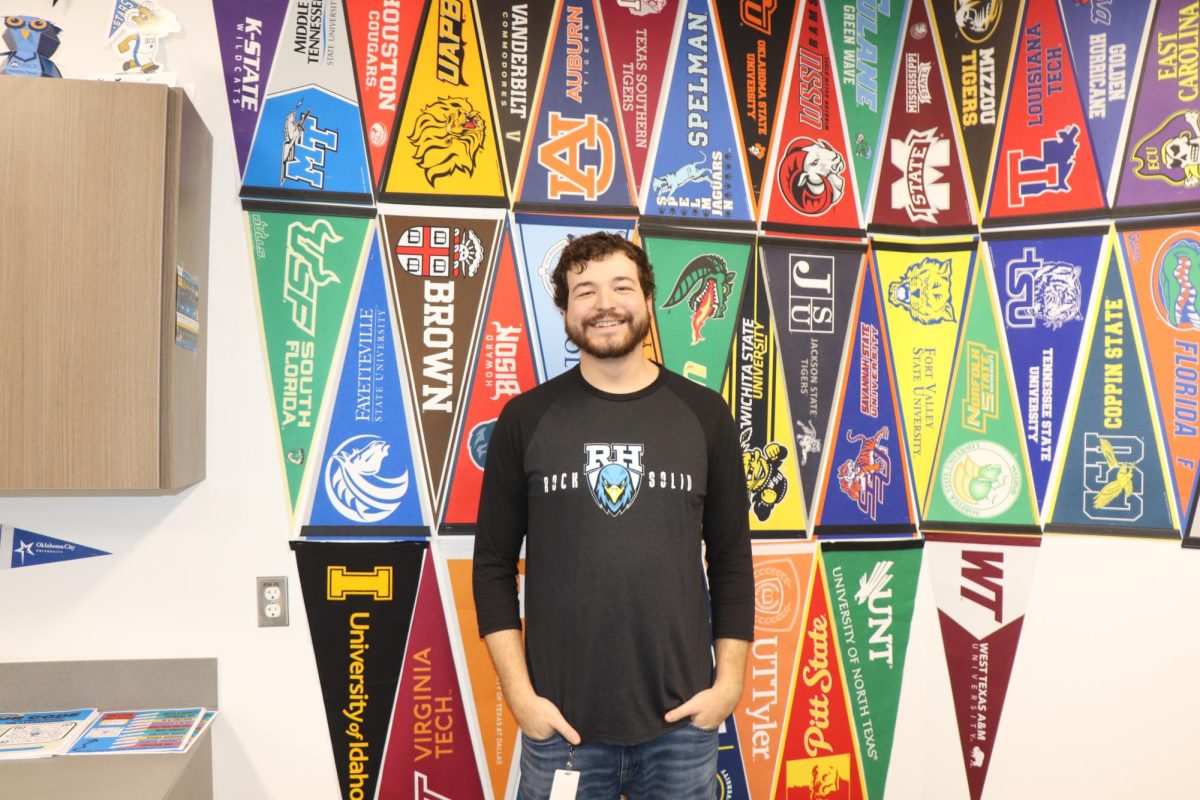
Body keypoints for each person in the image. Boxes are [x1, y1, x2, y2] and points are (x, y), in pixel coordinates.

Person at [472, 232, 754, 799]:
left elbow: (730, 561)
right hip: (563, 729)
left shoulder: (704, 415)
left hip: (682, 725)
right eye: (584, 291)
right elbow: (493, 567)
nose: (604, 304)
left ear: (648, 301)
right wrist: (521, 697)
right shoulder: (526, 419)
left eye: (621, 286)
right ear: (565, 311)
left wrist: (728, 685)